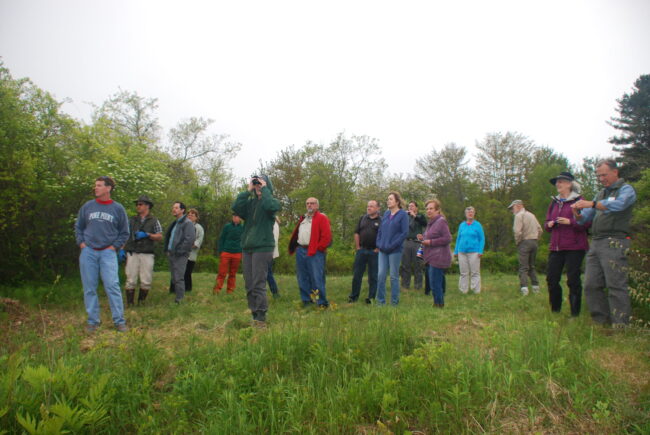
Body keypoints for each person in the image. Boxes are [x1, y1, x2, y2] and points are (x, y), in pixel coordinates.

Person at [572, 160, 637, 327]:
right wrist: (577, 214)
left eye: (604, 175)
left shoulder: (626, 190)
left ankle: (621, 326)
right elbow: (584, 219)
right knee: (591, 285)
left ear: (615, 172)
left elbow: (620, 205)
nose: (601, 179)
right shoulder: (600, 193)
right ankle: (601, 322)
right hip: (596, 242)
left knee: (616, 285)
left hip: (615, 241)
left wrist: (593, 204)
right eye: (599, 176)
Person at [75, 176, 129, 333]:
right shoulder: (87, 206)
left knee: (112, 286)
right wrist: (81, 243)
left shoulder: (118, 209)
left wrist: (114, 247)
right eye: (95, 185)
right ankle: (93, 321)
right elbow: (78, 227)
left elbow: (124, 232)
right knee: (89, 287)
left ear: (108, 188)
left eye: (99, 185)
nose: (95, 188)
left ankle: (119, 321)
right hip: (88, 252)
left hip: (108, 253)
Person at [232, 175, 281, 327]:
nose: (257, 186)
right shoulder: (250, 204)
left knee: (258, 282)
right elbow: (236, 207)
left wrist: (265, 189)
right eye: (256, 183)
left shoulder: (271, 202)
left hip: (263, 247)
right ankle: (254, 314)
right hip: (248, 247)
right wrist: (248, 190)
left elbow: (270, 206)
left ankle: (261, 316)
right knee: (249, 283)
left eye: (260, 183)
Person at [544, 172, 590, 316]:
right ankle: (555, 311)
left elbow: (586, 223)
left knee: (573, 280)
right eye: (557, 182)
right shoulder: (554, 202)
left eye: (561, 182)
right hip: (556, 246)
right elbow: (546, 224)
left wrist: (571, 222)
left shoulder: (580, 201)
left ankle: (575, 314)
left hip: (575, 247)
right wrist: (549, 224)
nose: (558, 184)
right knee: (551, 279)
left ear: (569, 184)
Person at [289, 197, 332, 307]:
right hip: (300, 250)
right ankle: (306, 300)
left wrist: (319, 248)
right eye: (307, 203)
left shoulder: (322, 218)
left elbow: (326, 237)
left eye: (312, 203)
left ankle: (321, 302)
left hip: (315, 251)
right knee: (302, 277)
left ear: (317, 205)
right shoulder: (303, 218)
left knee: (316, 277)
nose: (309, 205)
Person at [123, 195, 162, 306]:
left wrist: (147, 235)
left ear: (147, 206)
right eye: (137, 204)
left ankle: (141, 303)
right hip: (132, 252)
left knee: (146, 280)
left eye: (140, 204)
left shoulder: (154, 221)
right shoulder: (132, 220)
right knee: (130, 279)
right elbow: (125, 236)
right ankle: (130, 304)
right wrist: (122, 249)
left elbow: (159, 236)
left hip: (147, 253)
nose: (138, 206)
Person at [376, 192, 409, 306]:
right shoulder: (386, 213)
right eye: (387, 199)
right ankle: (380, 302)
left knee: (394, 277)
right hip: (382, 250)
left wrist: (392, 245)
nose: (388, 201)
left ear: (397, 201)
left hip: (395, 250)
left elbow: (404, 233)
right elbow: (380, 230)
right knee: (381, 275)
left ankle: (394, 302)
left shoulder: (403, 215)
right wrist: (379, 243)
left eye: (390, 199)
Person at [348, 200, 382, 303]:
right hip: (362, 250)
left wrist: (378, 248)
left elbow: (384, 235)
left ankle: (371, 298)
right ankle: (353, 297)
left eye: (371, 206)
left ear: (378, 208)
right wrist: (358, 247)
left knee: (373, 276)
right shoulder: (362, 218)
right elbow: (356, 233)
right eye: (368, 206)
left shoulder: (381, 220)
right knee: (357, 275)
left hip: (374, 252)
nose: (369, 208)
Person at [421, 199, 452, 307]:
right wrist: (423, 238)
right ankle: (437, 303)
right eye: (427, 209)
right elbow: (430, 236)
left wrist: (431, 242)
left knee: (435, 283)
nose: (428, 211)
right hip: (430, 256)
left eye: (431, 209)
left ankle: (439, 304)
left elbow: (447, 238)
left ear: (437, 210)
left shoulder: (441, 221)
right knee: (433, 283)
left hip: (439, 257)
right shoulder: (431, 223)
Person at [508, 199, 543, 296]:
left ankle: (524, 289)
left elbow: (517, 231)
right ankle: (536, 287)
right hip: (534, 241)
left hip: (524, 242)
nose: (512, 210)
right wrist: (536, 239)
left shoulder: (518, 216)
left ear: (518, 206)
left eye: (512, 208)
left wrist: (518, 242)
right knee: (532, 266)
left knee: (523, 267)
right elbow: (540, 229)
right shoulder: (532, 215)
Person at [164, 202, 195, 304]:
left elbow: (189, 240)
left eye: (176, 208)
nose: (174, 209)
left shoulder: (187, 223)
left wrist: (179, 251)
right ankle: (178, 296)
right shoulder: (175, 223)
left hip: (180, 255)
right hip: (172, 254)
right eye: (173, 207)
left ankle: (179, 300)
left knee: (179, 278)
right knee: (174, 278)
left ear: (182, 210)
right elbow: (170, 237)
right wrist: (168, 250)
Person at [453, 206, 485, 294]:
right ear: (465, 214)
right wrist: (456, 251)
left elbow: (482, 239)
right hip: (462, 252)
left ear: (474, 213)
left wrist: (480, 251)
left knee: (475, 272)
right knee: (463, 272)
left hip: (474, 252)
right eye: (468, 212)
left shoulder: (478, 225)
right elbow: (458, 238)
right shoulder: (462, 225)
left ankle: (476, 290)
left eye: (472, 212)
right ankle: (463, 290)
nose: (470, 213)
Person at [213, 214, 244, 294]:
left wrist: (242, 252)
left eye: (237, 216)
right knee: (222, 272)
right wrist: (221, 251)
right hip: (226, 252)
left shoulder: (243, 228)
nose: (235, 217)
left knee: (233, 273)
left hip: (237, 253)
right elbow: (221, 239)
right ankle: (217, 289)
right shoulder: (227, 226)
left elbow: (244, 240)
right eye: (233, 216)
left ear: (240, 218)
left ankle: (230, 290)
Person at [400, 201, 427, 290]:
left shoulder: (420, 216)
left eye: (412, 206)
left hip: (417, 243)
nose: (410, 207)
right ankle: (405, 285)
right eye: (409, 206)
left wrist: (414, 216)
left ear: (416, 208)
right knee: (405, 265)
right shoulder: (405, 217)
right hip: (406, 242)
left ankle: (418, 286)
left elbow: (425, 223)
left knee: (418, 265)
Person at [185, 208, 204, 293]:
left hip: (191, 254)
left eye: (192, 215)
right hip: (181, 253)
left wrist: (188, 246)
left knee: (187, 272)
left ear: (196, 217)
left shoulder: (199, 228)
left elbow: (198, 241)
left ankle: (188, 289)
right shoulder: (183, 226)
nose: (190, 216)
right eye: (188, 215)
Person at [266, 217, 281, 298]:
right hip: (269, 251)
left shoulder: (273, 225)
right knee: (267, 273)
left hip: (268, 252)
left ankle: (275, 292)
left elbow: (273, 240)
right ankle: (274, 292)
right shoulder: (273, 224)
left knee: (267, 273)